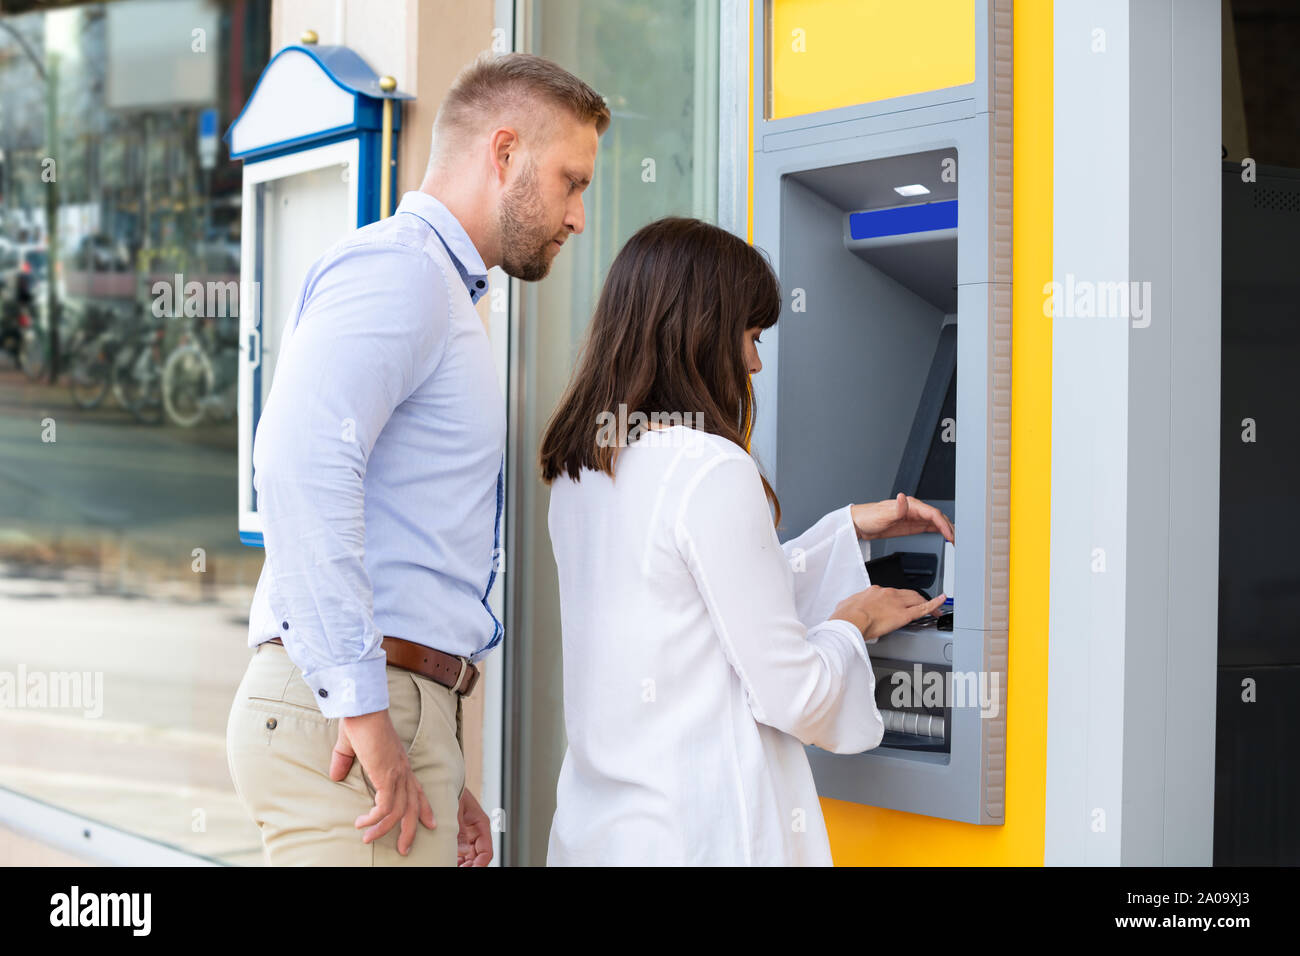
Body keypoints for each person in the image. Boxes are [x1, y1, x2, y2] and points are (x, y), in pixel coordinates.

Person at [226, 53, 609, 866]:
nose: (578, 217)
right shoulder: (402, 270)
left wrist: (439, 757)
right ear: (504, 155)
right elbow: (300, 465)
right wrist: (370, 719)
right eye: (572, 181)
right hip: (348, 714)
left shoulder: (438, 288)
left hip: (384, 704)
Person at [539, 217, 953, 865]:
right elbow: (796, 694)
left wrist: (843, 530)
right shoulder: (711, 468)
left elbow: (697, 608)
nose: (756, 363)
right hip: (703, 839)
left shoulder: (584, 468)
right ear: (698, 330)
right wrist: (854, 621)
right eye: (751, 335)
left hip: (599, 835)